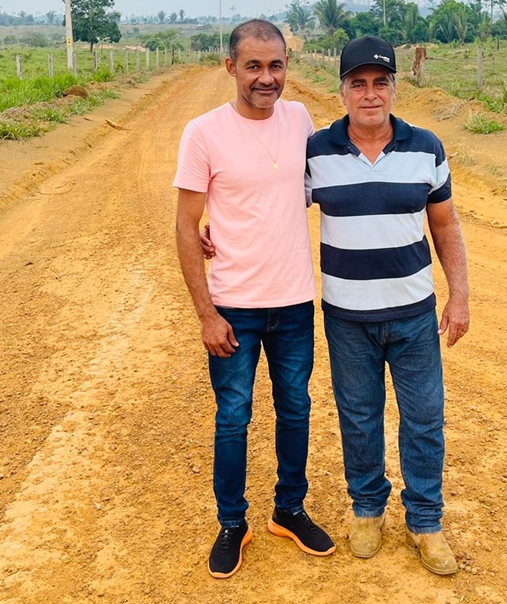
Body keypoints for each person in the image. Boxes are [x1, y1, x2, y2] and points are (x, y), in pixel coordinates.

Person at [173, 19, 335, 580]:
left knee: (296, 408)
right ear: (231, 67)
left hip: (293, 300)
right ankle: (231, 523)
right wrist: (206, 313)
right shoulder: (203, 132)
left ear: (287, 66)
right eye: (254, 66)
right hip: (234, 305)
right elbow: (185, 223)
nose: (266, 78)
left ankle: (289, 509)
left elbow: (307, 193)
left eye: (276, 66)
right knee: (233, 417)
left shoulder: (299, 120)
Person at [304, 36, 470, 575]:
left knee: (424, 419)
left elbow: (445, 224)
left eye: (380, 83)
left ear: (395, 86)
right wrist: (219, 234)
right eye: (358, 83)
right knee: (359, 416)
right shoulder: (316, 151)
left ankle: (425, 522)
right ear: (344, 90)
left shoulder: (427, 147)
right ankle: (368, 510)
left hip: (413, 312)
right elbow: (269, 209)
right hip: (346, 315)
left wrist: (459, 295)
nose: (370, 94)